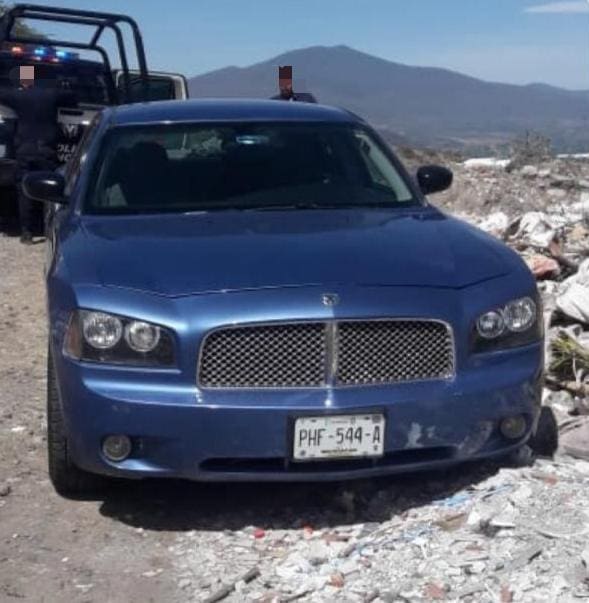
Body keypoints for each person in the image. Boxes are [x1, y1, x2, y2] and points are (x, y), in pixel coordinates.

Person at [0, 65, 77, 243]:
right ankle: (47, 227)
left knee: (23, 190)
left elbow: (3, 94)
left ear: (24, 81)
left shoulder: (18, 96)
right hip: (46, 149)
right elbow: (71, 97)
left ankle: (26, 232)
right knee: (48, 191)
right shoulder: (52, 95)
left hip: (25, 149)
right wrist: (65, 84)